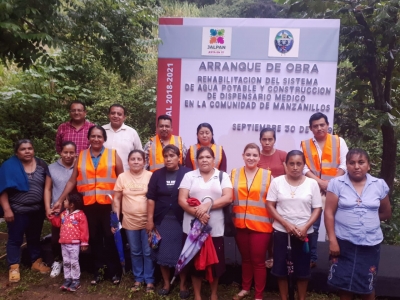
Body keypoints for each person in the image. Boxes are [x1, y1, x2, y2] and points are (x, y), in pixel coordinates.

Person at [52, 125, 124, 285]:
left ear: (104, 138)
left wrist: (122, 203)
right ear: (88, 138)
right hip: (89, 205)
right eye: (93, 136)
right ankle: (97, 271)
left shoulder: (113, 155)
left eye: (99, 136)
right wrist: (60, 200)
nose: (96, 139)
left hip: (109, 206)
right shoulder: (81, 156)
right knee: (94, 238)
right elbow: (72, 180)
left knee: (111, 237)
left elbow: (122, 179)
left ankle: (114, 272)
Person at [324, 149, 391, 300]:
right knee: (345, 284)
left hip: (370, 244)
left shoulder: (379, 185)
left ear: (368, 165)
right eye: (352, 163)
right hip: (343, 243)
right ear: (346, 165)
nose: (356, 166)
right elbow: (328, 213)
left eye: (361, 162)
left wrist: (367, 221)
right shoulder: (336, 184)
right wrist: (333, 241)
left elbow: (386, 213)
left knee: (367, 285)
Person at [178, 146, 233, 300]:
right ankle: (197, 295)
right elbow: (181, 200)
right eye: (201, 157)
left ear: (214, 160)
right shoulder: (189, 176)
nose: (204, 160)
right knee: (195, 262)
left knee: (214, 263)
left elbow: (228, 197)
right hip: (192, 228)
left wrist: (207, 206)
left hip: (215, 228)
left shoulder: (222, 176)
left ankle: (214, 294)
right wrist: (198, 213)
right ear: (196, 160)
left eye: (208, 157)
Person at [266, 150, 322, 300]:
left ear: (304, 165)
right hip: (281, 232)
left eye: (299, 164)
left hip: (304, 233)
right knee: (281, 269)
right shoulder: (277, 182)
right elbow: (270, 205)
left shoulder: (312, 183)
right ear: (286, 164)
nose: (295, 167)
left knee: (303, 270)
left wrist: (305, 227)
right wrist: (286, 224)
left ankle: (301, 298)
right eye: (291, 163)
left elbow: (317, 208)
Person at [300, 112, 348, 268]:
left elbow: (344, 165)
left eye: (322, 125)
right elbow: (303, 167)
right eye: (315, 126)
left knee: (334, 224)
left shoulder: (339, 141)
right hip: (314, 190)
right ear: (311, 128)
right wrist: (320, 182)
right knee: (312, 225)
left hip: (335, 191)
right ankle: (311, 258)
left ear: (328, 125)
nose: (319, 128)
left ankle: (334, 259)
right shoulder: (304, 144)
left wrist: (331, 183)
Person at [0, 139, 52, 283]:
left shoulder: (41, 165)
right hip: (17, 210)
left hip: (36, 210)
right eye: (23, 149)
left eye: (30, 148)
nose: (27, 151)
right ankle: (14, 266)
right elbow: (2, 190)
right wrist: (7, 209)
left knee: (34, 238)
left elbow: (47, 187)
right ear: (17, 152)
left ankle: (35, 262)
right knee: (15, 239)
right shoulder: (8, 166)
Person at [146, 145, 191, 299]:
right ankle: (166, 283)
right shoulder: (157, 175)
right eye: (166, 156)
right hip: (162, 220)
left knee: (182, 253)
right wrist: (150, 220)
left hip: (182, 219)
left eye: (172, 155)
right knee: (162, 253)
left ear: (179, 157)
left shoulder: (187, 173)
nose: (168, 159)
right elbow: (151, 198)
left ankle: (183, 284)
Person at [231, 143, 273, 300]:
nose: (251, 158)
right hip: (240, 224)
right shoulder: (234, 173)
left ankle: (258, 295)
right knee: (246, 259)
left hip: (261, 226)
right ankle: (245, 288)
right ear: (243, 156)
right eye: (248, 154)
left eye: (255, 155)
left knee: (258, 261)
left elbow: (274, 200)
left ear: (259, 157)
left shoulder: (267, 175)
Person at [112, 150, 154, 293]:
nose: (136, 161)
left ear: (144, 161)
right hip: (129, 221)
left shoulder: (151, 176)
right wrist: (115, 221)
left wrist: (151, 219)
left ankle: (149, 281)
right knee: (135, 251)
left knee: (148, 252)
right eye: (133, 159)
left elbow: (154, 199)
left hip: (147, 221)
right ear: (128, 162)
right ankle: (138, 279)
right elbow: (116, 199)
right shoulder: (122, 177)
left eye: (139, 159)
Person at [45, 141, 77, 278]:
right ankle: (58, 261)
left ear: (76, 153)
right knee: (57, 238)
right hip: (58, 209)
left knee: (77, 238)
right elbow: (47, 188)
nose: (68, 155)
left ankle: (76, 264)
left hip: (77, 209)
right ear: (60, 152)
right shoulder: (52, 168)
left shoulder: (81, 166)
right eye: (65, 152)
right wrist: (48, 207)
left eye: (71, 152)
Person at [257, 127, 287, 269]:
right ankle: (269, 255)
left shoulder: (282, 155)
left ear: (274, 140)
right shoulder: (256, 156)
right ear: (260, 140)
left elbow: (290, 177)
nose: (267, 142)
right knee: (267, 229)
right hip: (263, 199)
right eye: (264, 139)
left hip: (281, 199)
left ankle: (279, 256)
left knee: (279, 228)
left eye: (270, 139)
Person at [49, 192, 89, 292]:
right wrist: (52, 217)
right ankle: (67, 279)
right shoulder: (63, 214)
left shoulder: (80, 215)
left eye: (66, 200)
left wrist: (84, 242)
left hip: (74, 244)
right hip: (64, 243)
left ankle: (76, 280)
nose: (64, 202)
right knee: (66, 261)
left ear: (72, 204)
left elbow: (84, 229)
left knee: (74, 262)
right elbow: (58, 223)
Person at [103, 104, 143, 171]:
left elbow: (140, 154)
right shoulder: (101, 131)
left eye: (119, 114)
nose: (116, 116)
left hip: (127, 175)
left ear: (124, 117)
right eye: (113, 113)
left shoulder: (132, 133)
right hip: (104, 175)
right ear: (109, 115)